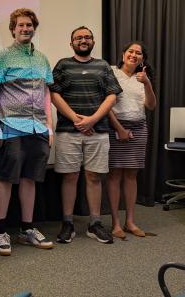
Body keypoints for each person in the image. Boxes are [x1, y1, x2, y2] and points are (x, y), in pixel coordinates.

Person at [0, 8, 54, 256]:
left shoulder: (42, 59)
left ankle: (27, 229)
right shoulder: (1, 58)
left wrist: (49, 126)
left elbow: (46, 93)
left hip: (38, 127)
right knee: (5, 178)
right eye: (21, 25)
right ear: (13, 29)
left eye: (29, 25)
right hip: (11, 126)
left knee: (30, 178)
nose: (26, 29)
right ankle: (0, 231)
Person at [50, 25, 122, 244]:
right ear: (71, 43)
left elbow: (112, 97)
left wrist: (92, 120)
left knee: (93, 177)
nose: (83, 40)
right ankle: (68, 222)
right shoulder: (63, 65)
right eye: (78, 37)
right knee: (70, 176)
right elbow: (53, 93)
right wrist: (76, 119)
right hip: (68, 131)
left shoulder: (102, 66)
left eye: (87, 37)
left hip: (98, 131)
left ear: (93, 41)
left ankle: (94, 223)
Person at [106, 42, 156, 239]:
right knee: (115, 174)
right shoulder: (111, 72)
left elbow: (151, 106)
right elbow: (106, 104)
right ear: (123, 54)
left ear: (142, 58)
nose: (134, 55)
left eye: (138, 53)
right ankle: (116, 224)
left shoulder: (143, 78)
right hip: (116, 126)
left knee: (131, 176)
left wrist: (147, 83)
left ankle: (130, 222)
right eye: (131, 51)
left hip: (138, 127)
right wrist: (119, 128)